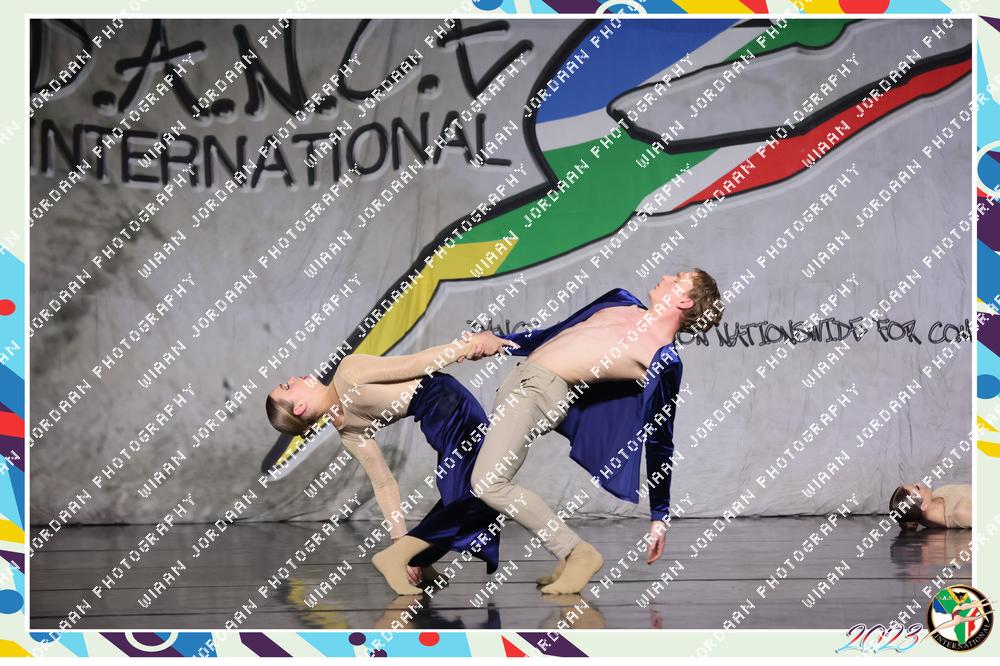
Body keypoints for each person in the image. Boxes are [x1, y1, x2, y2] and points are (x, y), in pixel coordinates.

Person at [472, 269, 723, 594]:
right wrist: (501, 343)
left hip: (539, 393)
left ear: (685, 301)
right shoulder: (620, 302)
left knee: (488, 482)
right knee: (474, 476)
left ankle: (577, 553)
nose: (665, 277)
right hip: (519, 381)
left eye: (676, 280)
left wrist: (659, 515)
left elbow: (660, 438)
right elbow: (554, 335)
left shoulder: (662, 357)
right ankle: (421, 558)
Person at [265, 331, 518, 594]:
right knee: (476, 491)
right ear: (299, 408)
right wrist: (471, 345)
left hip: (447, 410)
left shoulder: (347, 426)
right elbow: (417, 363)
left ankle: (414, 558)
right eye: (287, 387)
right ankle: (400, 556)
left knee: (471, 491)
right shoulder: (347, 377)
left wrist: (468, 347)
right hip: (450, 409)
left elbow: (384, 484)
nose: (292, 379)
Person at [889, 482, 972, 529]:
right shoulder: (960, 513)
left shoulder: (935, 494)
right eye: (917, 487)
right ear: (923, 506)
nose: (919, 483)